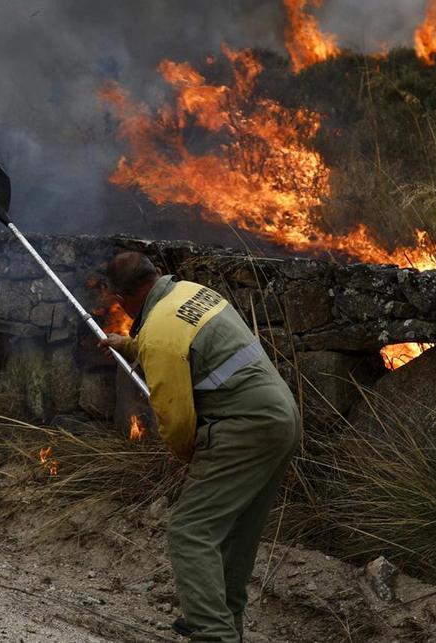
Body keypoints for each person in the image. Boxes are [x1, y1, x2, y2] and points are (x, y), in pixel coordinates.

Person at [98, 251, 301, 642]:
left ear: (121, 300)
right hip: (281, 417)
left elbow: (177, 424)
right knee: (237, 534)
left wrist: (195, 461)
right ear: (156, 274)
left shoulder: (158, 332)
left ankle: (213, 634)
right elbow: (177, 342)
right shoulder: (192, 292)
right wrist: (127, 345)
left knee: (191, 530)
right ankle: (228, 625)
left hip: (244, 428)